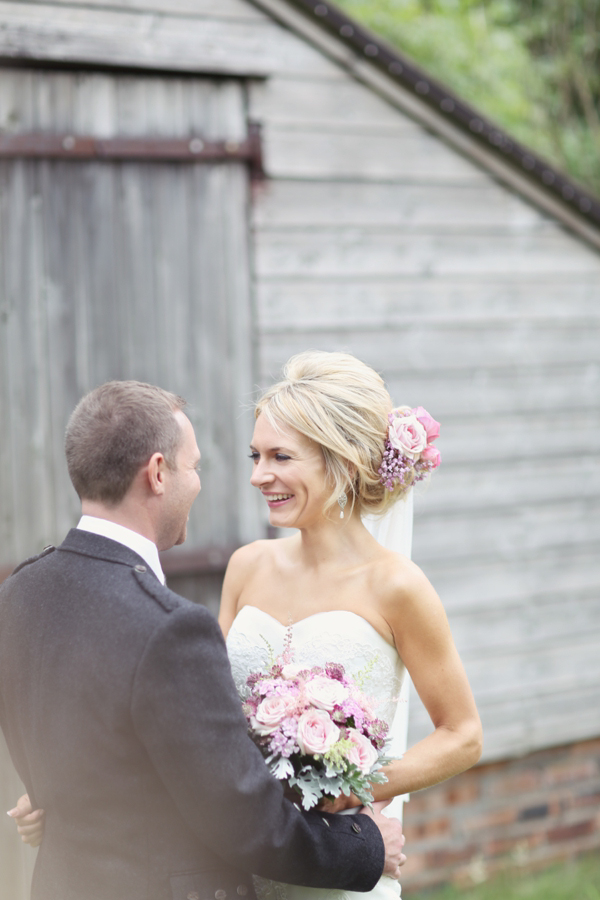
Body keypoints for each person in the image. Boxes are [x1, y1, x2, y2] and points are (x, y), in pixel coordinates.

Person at [0, 380, 405, 900]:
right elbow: (247, 824)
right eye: (193, 467)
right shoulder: (170, 628)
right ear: (158, 473)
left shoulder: (17, 596)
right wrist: (366, 845)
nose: (198, 483)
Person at [219, 351, 483, 900]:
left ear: (340, 463)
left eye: (280, 457)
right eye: (255, 455)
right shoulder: (247, 566)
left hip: (342, 859)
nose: (258, 475)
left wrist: (351, 790)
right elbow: (208, 708)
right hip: (240, 853)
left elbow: (463, 735)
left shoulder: (398, 587)